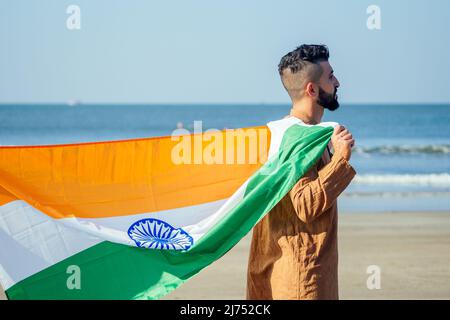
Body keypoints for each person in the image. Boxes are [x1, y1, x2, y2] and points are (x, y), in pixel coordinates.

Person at [246, 44, 357, 300]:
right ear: (312, 89)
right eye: (330, 77)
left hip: (277, 272)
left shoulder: (279, 135)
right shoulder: (298, 140)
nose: (337, 82)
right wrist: (341, 158)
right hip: (300, 281)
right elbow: (306, 204)